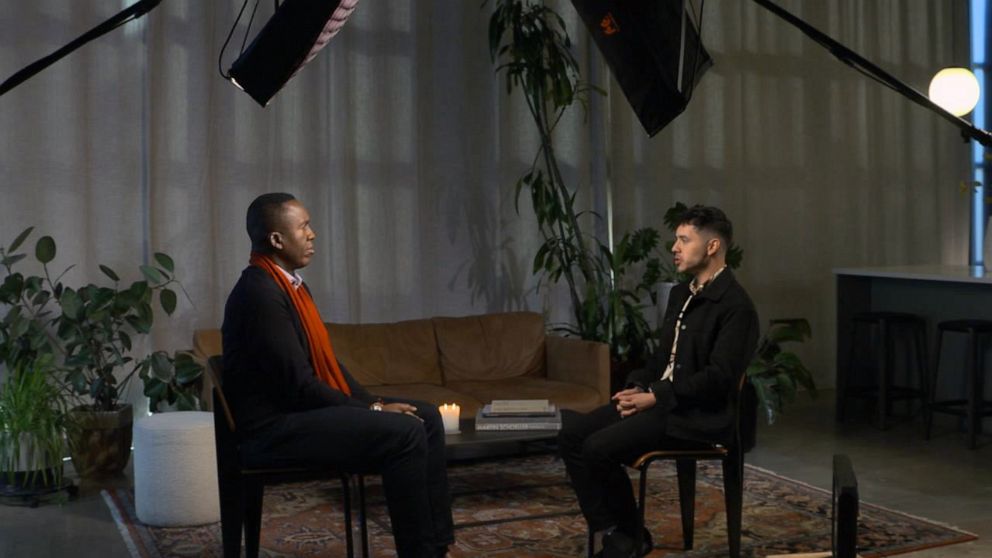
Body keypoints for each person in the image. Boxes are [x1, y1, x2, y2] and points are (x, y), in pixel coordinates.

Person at [221, 192, 454, 558]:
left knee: (425, 416)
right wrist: (374, 413)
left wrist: (373, 402)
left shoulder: (290, 286)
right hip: (272, 429)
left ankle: (438, 545)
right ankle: (419, 552)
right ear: (277, 239)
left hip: (296, 413)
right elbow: (299, 386)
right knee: (404, 432)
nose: (312, 234)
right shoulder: (259, 293)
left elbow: (326, 363)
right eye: (303, 227)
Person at [558, 205, 759, 557]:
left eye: (684, 239)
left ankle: (628, 537)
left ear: (712, 247)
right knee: (572, 434)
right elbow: (660, 359)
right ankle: (618, 529)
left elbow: (719, 379)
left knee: (597, 448)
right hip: (662, 401)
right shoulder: (681, 294)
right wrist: (637, 386)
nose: (674, 247)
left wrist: (656, 396)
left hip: (696, 415)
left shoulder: (736, 306)